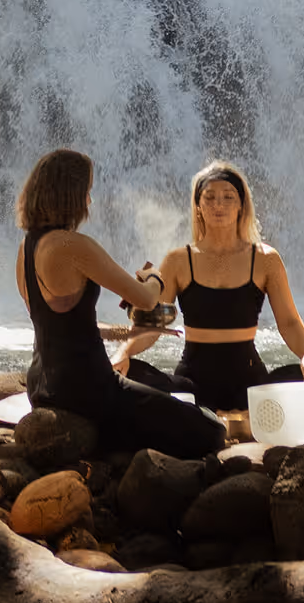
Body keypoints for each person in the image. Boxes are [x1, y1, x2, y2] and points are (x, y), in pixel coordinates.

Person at [15, 149, 224, 459]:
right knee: (212, 431)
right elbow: (147, 298)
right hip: (90, 389)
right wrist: (154, 276)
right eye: (86, 192)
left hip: (43, 386)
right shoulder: (73, 246)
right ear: (69, 195)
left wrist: (125, 334)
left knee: (167, 391)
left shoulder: (26, 248)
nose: (89, 201)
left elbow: (57, 325)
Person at [117, 160, 304, 412]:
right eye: (210, 197)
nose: (218, 205)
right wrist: (124, 352)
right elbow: (152, 326)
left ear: (241, 205)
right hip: (193, 383)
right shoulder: (178, 261)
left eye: (228, 197)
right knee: (131, 372)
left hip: (250, 384)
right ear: (198, 206)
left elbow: (289, 322)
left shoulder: (266, 259)